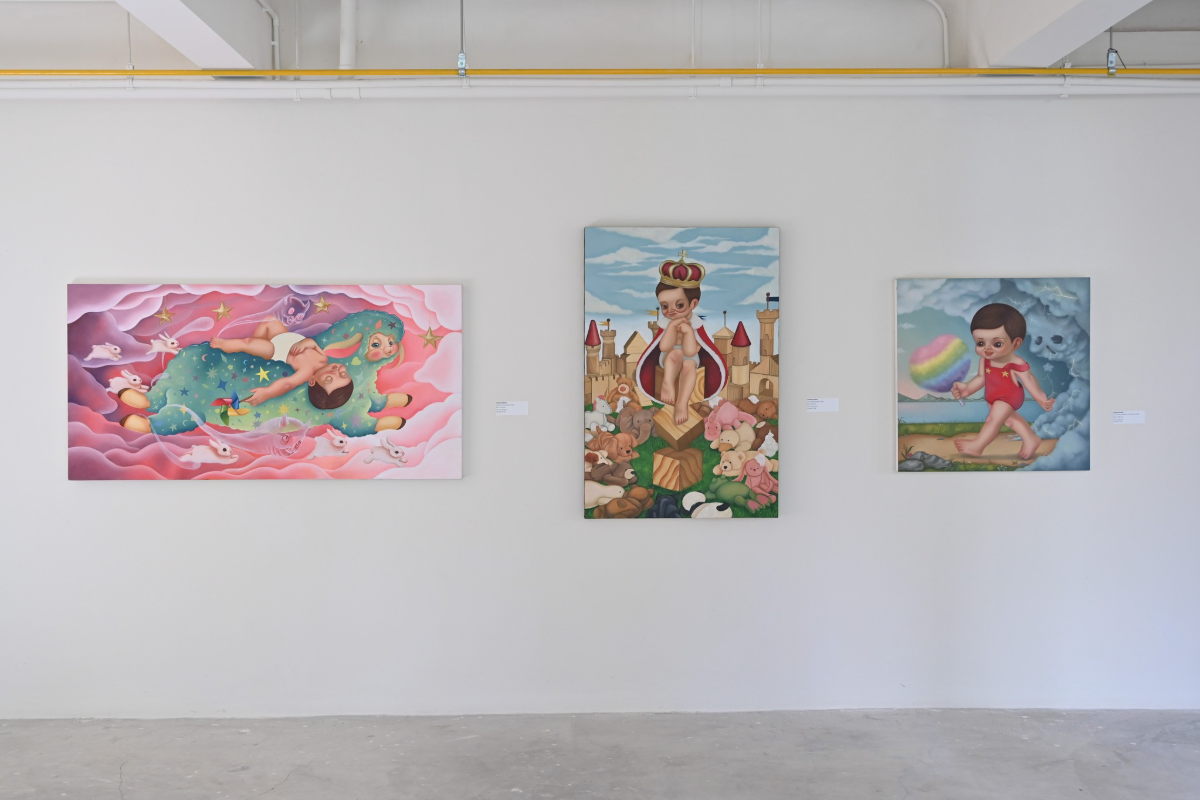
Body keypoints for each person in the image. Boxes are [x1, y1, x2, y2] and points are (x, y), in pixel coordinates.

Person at [634, 251, 727, 425]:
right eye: (664, 306)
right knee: (675, 354)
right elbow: (664, 347)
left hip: (691, 358)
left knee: (689, 364)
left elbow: (690, 351)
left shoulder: (695, 325)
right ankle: (667, 383)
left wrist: (689, 332)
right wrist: (671, 328)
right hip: (668, 358)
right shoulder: (667, 324)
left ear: (693, 304)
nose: (671, 311)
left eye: (679, 305)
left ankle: (682, 403)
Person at [951, 303, 1055, 459]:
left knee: (992, 419)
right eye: (980, 343)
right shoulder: (985, 359)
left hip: (1009, 397)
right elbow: (981, 378)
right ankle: (1031, 439)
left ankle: (977, 446)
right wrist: (966, 389)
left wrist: (1040, 397)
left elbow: (1029, 379)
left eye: (997, 344)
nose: (987, 349)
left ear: (1016, 343)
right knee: (1010, 420)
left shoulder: (1015, 363)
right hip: (992, 396)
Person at [211, 318, 354, 410]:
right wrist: (305, 343)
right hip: (284, 338)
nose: (335, 372)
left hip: (275, 350)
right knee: (269, 322)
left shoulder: (307, 373)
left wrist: (268, 393)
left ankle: (224, 345)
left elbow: (287, 384)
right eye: (342, 374)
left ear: (312, 381)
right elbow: (313, 343)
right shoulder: (323, 358)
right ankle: (253, 351)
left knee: (248, 343)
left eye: (329, 379)